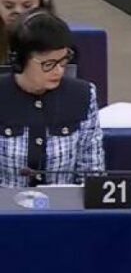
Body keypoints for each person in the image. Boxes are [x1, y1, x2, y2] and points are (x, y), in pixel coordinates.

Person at [0, 10, 104, 187]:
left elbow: (92, 172)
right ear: (19, 61)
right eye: (48, 64)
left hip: (65, 203)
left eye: (63, 61)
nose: (59, 71)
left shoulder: (83, 95)